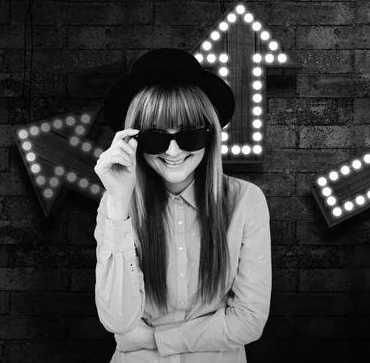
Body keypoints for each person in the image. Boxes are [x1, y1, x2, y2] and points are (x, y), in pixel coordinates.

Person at [93, 48, 272, 363]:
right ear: (133, 140)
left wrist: (154, 339)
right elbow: (119, 321)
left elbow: (249, 321)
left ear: (209, 135)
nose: (173, 151)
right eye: (156, 137)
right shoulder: (116, 204)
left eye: (188, 135)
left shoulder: (246, 201)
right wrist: (120, 203)